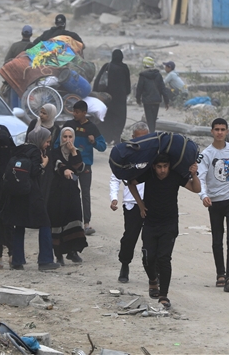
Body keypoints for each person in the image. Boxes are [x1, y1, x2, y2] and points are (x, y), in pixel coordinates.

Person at [127, 154, 200, 309]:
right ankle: (153, 280)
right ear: (154, 166)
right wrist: (140, 205)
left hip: (169, 224)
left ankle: (163, 296)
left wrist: (194, 174)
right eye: (159, 167)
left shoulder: (175, 176)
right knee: (148, 257)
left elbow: (196, 189)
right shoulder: (148, 174)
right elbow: (131, 183)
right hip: (150, 223)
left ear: (169, 166)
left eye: (165, 166)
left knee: (164, 259)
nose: (162, 170)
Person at [197, 118, 229, 293]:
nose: (219, 132)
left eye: (222, 129)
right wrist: (203, 195)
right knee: (217, 239)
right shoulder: (206, 154)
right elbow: (200, 177)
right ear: (211, 131)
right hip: (215, 201)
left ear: (227, 131)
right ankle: (220, 273)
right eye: (217, 129)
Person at [7, 124, 60, 271]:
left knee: (19, 225)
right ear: (39, 139)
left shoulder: (20, 149)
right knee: (45, 223)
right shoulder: (35, 152)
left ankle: (17, 261)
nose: (48, 144)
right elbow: (35, 172)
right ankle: (45, 260)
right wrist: (44, 164)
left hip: (17, 194)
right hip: (32, 194)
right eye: (46, 141)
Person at [57, 100, 106, 236]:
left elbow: (102, 146)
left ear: (85, 113)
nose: (74, 114)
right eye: (74, 111)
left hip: (85, 166)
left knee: (85, 193)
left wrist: (93, 141)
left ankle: (86, 224)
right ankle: (67, 222)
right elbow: (57, 143)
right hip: (69, 166)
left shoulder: (92, 128)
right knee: (69, 193)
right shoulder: (69, 125)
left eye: (77, 112)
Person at [110, 122, 149, 283]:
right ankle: (124, 264)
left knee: (150, 238)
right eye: (138, 138)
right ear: (133, 138)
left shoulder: (153, 153)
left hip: (151, 202)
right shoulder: (126, 155)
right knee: (130, 237)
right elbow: (115, 177)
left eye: (145, 137)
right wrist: (114, 197)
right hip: (131, 203)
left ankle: (152, 270)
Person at [47, 126, 89, 264]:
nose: (67, 140)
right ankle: (58, 255)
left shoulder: (76, 152)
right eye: (65, 137)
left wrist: (73, 152)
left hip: (72, 192)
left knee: (74, 218)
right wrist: (65, 169)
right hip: (57, 192)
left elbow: (79, 168)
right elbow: (57, 165)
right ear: (61, 138)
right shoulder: (54, 152)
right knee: (58, 221)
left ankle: (72, 252)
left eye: (70, 137)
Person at [95, 49, 131, 145]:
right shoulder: (124, 68)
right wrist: (126, 93)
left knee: (107, 117)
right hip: (120, 99)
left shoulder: (107, 66)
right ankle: (116, 137)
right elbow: (128, 84)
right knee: (119, 118)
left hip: (108, 97)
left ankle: (107, 138)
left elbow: (98, 80)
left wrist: (96, 93)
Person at [135, 57, 171, 133]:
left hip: (147, 101)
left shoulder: (143, 76)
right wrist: (166, 101)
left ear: (144, 65)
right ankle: (152, 132)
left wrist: (138, 99)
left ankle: (151, 133)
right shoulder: (158, 75)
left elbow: (139, 88)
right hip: (156, 101)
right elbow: (163, 88)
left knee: (149, 119)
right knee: (153, 119)